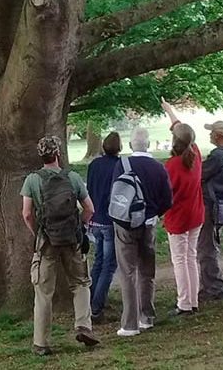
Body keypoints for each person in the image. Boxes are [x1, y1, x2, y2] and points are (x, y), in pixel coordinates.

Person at [21, 135, 100, 356]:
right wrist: (79, 226)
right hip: (72, 240)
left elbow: (27, 214)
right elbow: (90, 209)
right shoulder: (72, 178)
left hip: (46, 242)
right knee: (80, 283)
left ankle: (41, 343)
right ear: (58, 153)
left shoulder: (32, 180)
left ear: (41, 155)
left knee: (44, 292)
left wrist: (38, 232)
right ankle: (83, 326)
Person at [114, 127, 173, 337]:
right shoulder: (158, 167)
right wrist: (154, 213)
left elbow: (116, 195)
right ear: (148, 145)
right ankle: (146, 317)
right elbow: (167, 199)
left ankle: (130, 324)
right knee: (147, 271)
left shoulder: (121, 164)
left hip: (124, 225)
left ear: (131, 145)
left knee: (128, 272)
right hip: (148, 223)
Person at [163, 123, 205, 317]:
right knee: (191, 257)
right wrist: (170, 112)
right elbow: (184, 132)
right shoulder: (195, 155)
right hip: (195, 214)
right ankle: (193, 300)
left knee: (179, 260)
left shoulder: (171, 166)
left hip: (178, 218)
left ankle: (184, 303)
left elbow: (165, 194)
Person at [85, 131, 123, 321]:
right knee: (109, 265)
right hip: (110, 220)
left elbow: (89, 189)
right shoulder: (119, 166)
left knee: (99, 261)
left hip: (95, 218)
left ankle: (91, 299)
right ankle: (97, 307)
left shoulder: (94, 165)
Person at [199, 120, 223, 300]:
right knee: (211, 245)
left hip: (211, 205)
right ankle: (212, 284)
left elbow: (199, 175)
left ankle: (214, 287)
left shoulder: (216, 156)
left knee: (206, 247)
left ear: (217, 135)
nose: (209, 135)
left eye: (211, 132)